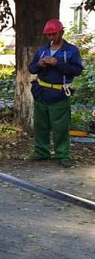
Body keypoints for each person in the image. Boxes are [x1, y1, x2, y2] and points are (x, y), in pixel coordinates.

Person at [28, 19, 84, 167]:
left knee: (60, 127)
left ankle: (63, 155)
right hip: (41, 91)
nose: (51, 37)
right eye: (49, 35)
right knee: (41, 125)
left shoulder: (71, 50)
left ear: (61, 32)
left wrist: (57, 63)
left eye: (54, 34)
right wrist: (39, 64)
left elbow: (76, 70)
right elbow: (31, 69)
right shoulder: (42, 50)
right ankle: (41, 152)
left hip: (59, 92)